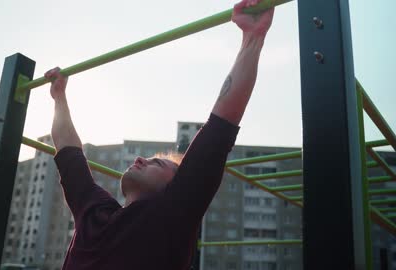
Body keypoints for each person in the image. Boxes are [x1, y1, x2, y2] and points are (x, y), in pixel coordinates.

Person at [45, 0, 274, 269]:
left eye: (158, 163)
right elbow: (68, 151)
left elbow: (221, 125)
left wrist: (253, 38)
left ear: (175, 185)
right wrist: (59, 97)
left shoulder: (173, 213)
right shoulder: (95, 211)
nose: (142, 159)